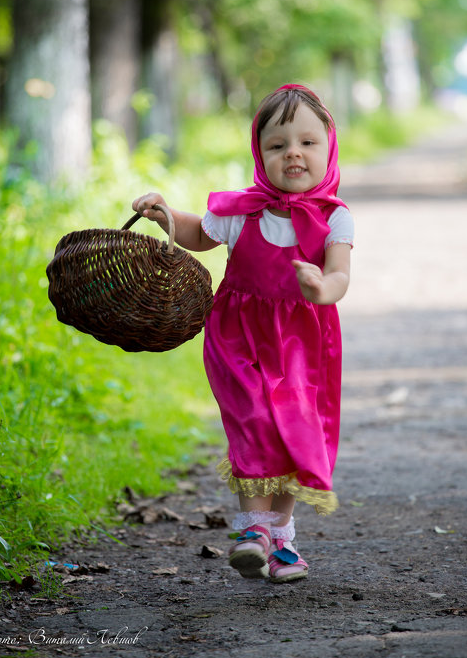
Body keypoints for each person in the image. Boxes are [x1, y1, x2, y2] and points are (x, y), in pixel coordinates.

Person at [132, 84, 353, 583]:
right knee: (254, 420)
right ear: (260, 154)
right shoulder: (242, 211)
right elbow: (197, 234)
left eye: (307, 142)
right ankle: (253, 533)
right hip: (239, 340)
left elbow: (340, 274)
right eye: (277, 146)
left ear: (329, 148)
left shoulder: (334, 216)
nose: (292, 153)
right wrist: (165, 213)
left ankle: (282, 541)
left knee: (297, 432)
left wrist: (323, 287)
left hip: (303, 344)